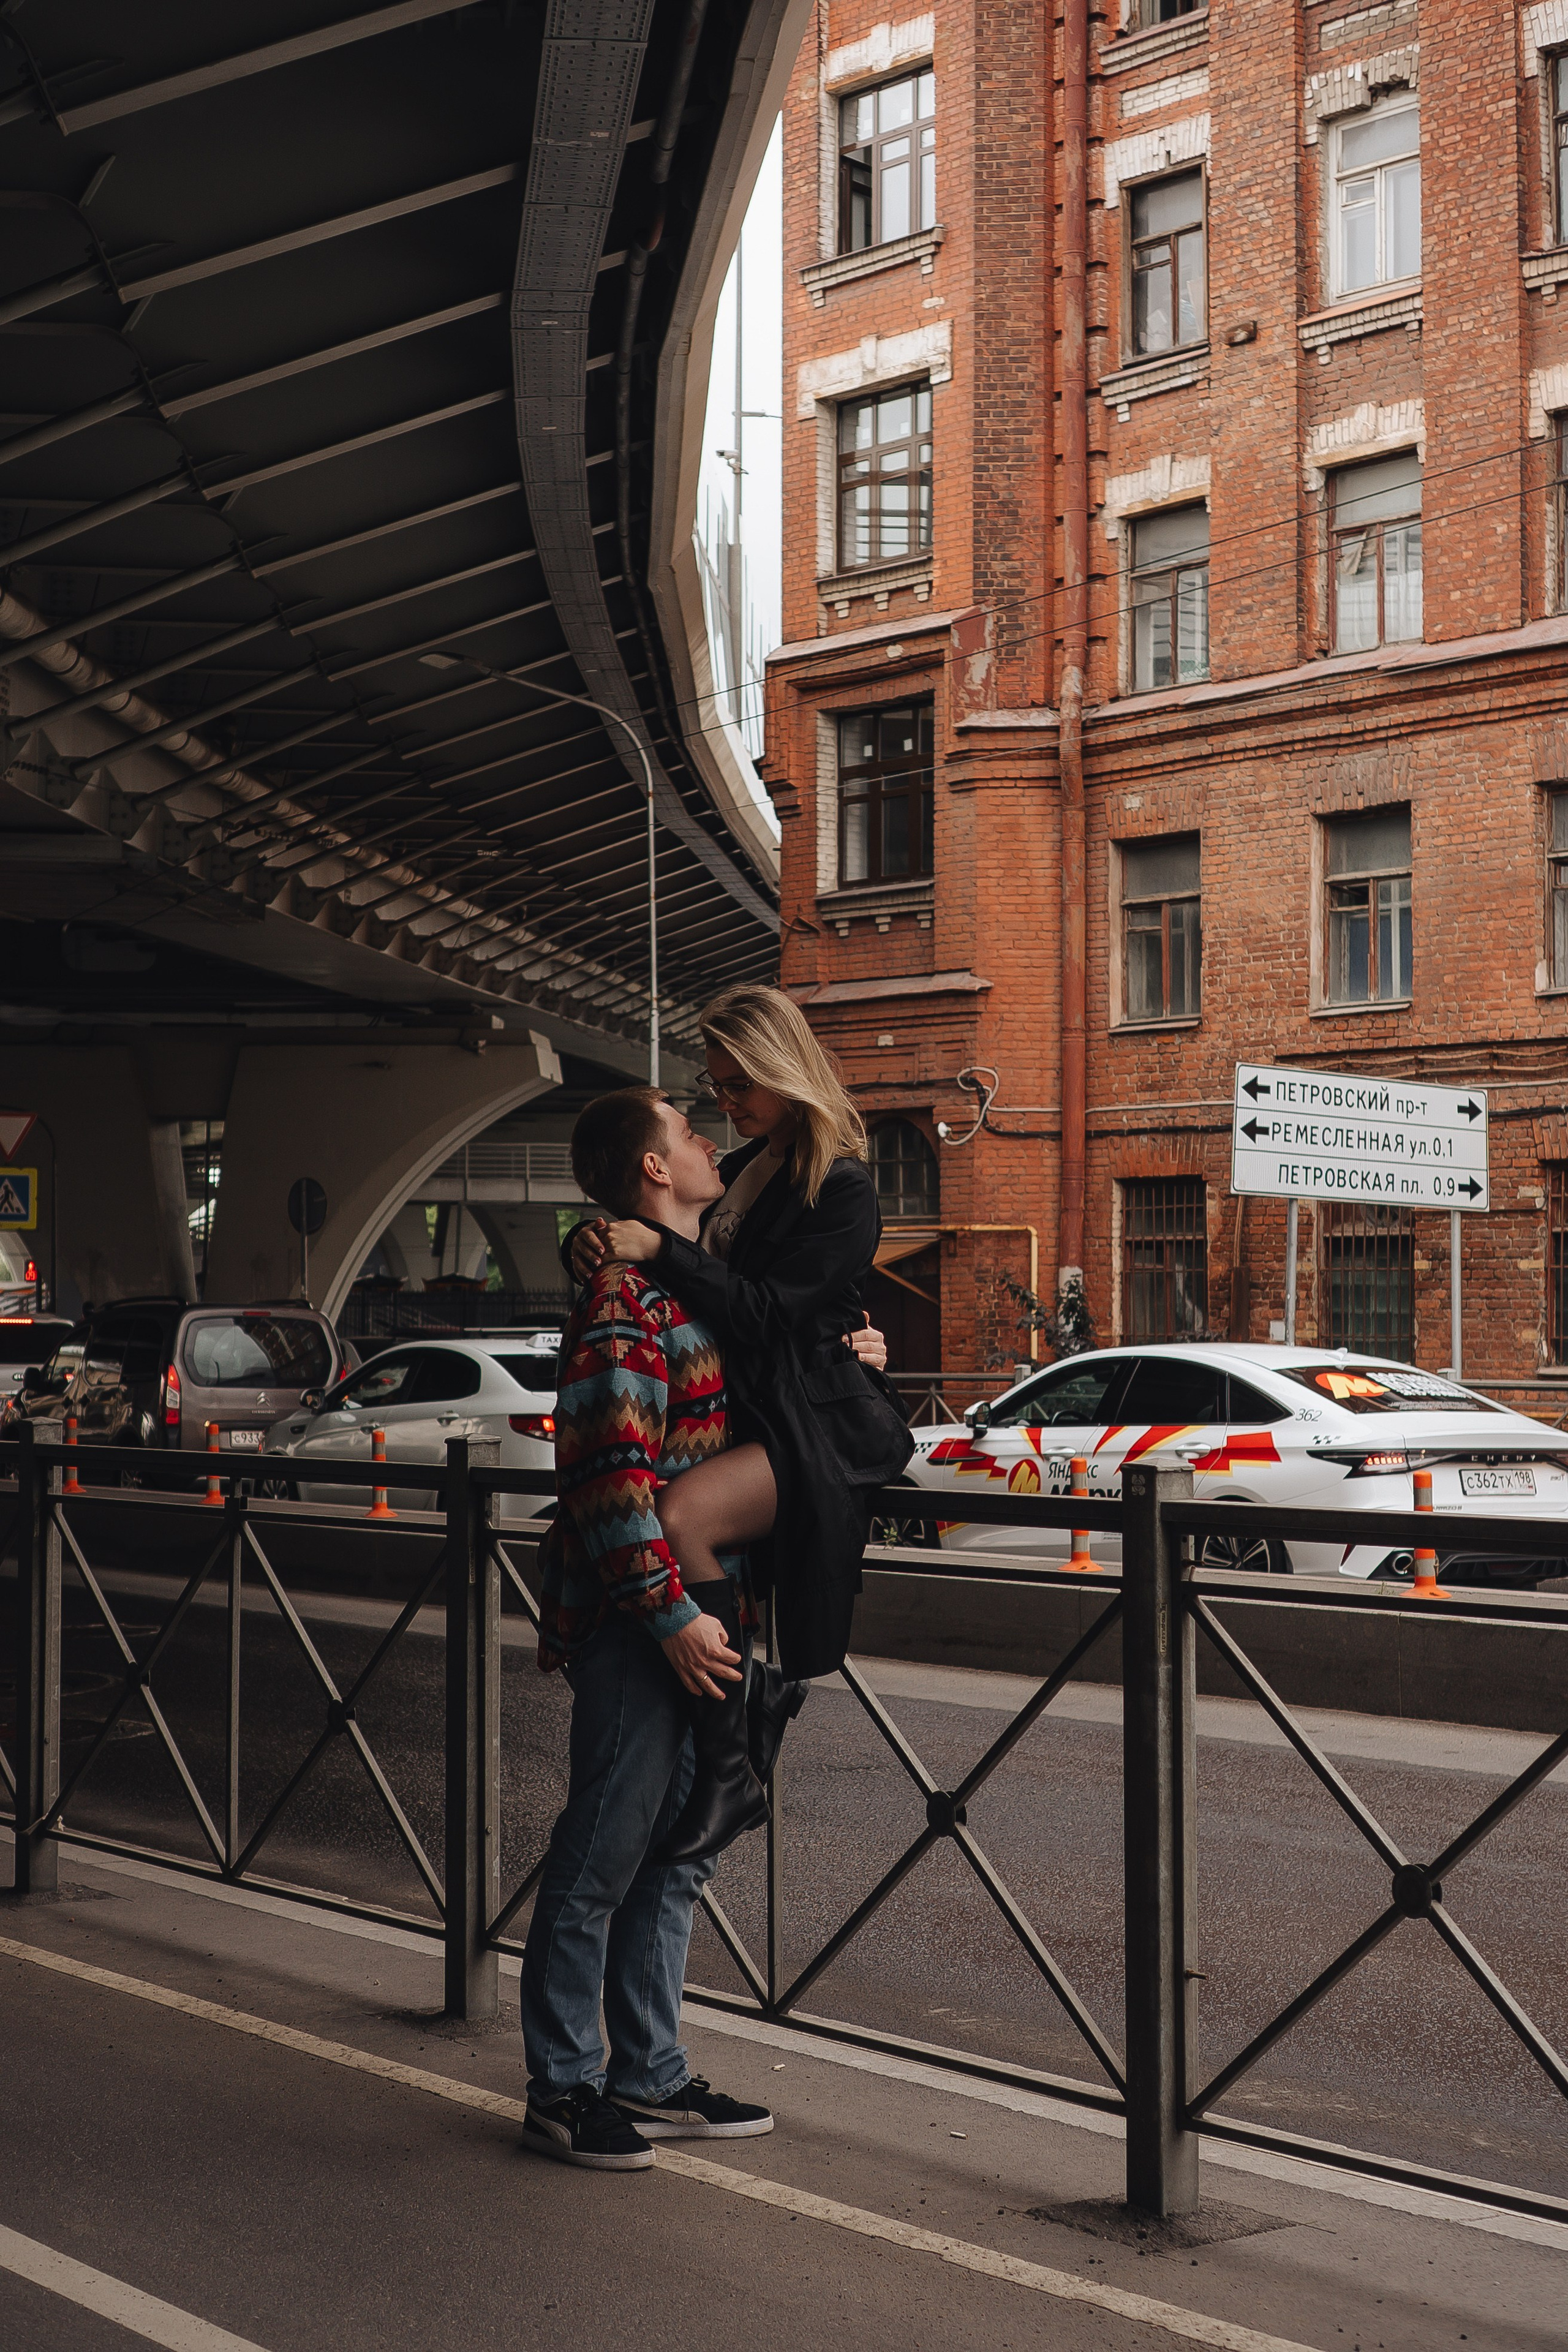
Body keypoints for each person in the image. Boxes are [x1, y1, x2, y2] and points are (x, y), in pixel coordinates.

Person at [570, 986, 915, 1801]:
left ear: (781, 1071)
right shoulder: (737, 1173)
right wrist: (601, 1241)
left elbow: (768, 1310)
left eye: (737, 1086)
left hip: (815, 1426)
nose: (723, 1105)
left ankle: (733, 1761)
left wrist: (651, 1246)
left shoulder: (842, 1187)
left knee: (683, 1517)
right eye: (714, 1088)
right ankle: (744, 1731)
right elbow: (668, 1237)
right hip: (759, 1414)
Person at [519, 1084, 777, 2171]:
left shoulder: (681, 1287)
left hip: (698, 1611)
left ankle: (650, 2073)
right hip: (644, 1623)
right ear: (653, 1172)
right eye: (687, 1130)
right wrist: (671, 1617)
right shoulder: (625, 1304)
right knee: (601, 1858)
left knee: (673, 1857)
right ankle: (563, 2087)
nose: (710, 1138)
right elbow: (609, 1482)